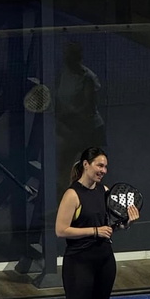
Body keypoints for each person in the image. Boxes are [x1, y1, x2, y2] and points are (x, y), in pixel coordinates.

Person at [53, 146, 139, 299]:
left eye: (106, 167)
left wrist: (127, 223)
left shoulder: (105, 191)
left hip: (104, 261)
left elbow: (110, 227)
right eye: (100, 165)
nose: (103, 170)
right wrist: (94, 231)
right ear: (86, 165)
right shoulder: (72, 195)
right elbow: (61, 230)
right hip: (78, 263)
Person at [55, 41, 106, 199]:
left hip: (90, 130)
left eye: (70, 55)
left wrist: (69, 115)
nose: (66, 58)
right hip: (70, 130)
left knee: (93, 170)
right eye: (66, 55)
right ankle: (65, 202)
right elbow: (58, 99)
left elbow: (89, 106)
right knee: (63, 167)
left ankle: (96, 202)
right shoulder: (63, 75)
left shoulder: (88, 77)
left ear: (77, 57)